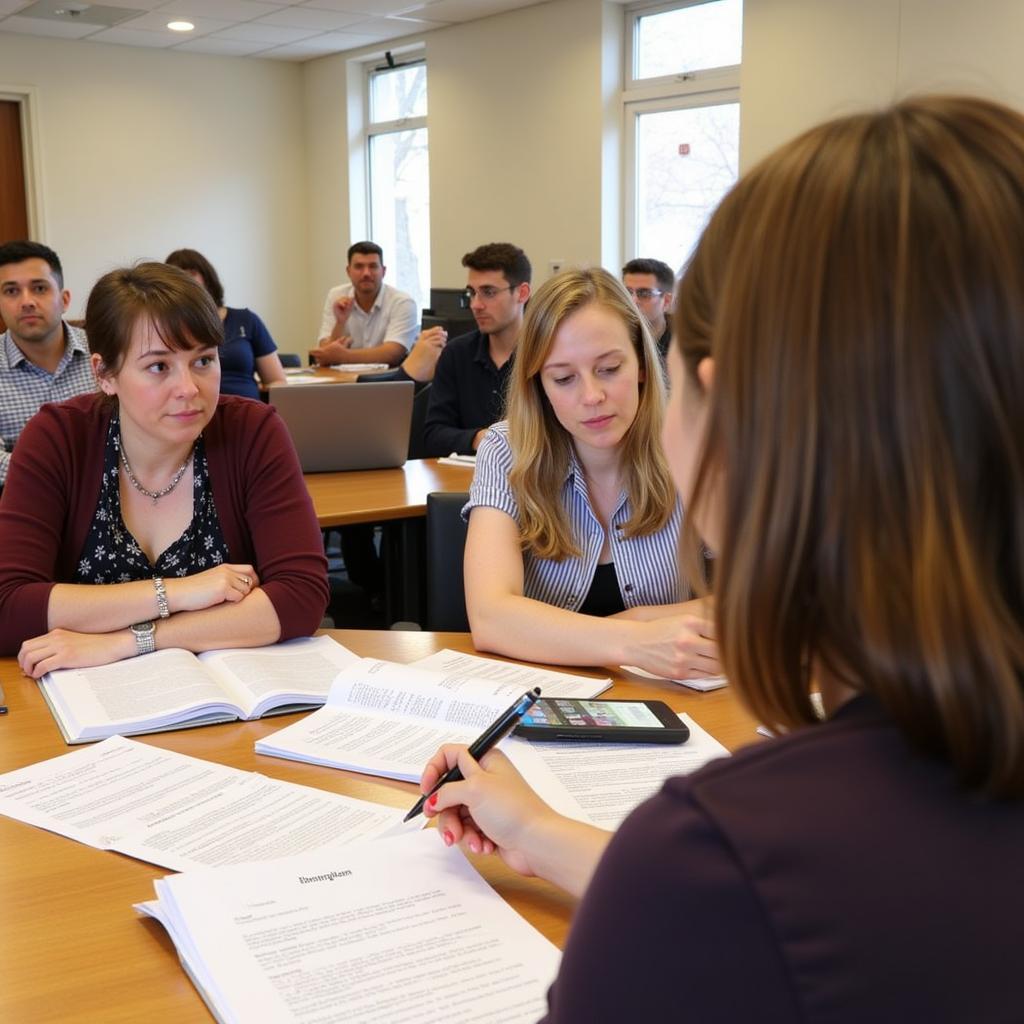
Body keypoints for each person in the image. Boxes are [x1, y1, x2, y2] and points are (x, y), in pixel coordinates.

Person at [419, 96, 1024, 1021]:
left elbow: (711, 897)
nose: (595, 398)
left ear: (712, 407)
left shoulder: (721, 848)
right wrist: (539, 832)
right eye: (564, 378)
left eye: (618, 369)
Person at [0, 262, 329, 674]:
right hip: (86, 708)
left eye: (204, 361)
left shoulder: (253, 430)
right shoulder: (57, 437)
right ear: (104, 374)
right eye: (159, 366)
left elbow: (301, 596)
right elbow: (9, 606)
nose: (190, 389)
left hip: (224, 705)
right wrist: (176, 593)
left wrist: (133, 641)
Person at [464, 266, 718, 681]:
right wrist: (637, 639)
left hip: (678, 704)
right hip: (540, 703)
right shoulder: (505, 449)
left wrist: (634, 620)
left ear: (640, 363)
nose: (592, 397)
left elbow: (756, 605)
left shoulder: (694, 441)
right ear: (538, 386)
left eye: (609, 369)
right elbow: (491, 616)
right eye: (563, 378)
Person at [422, 242, 532, 456]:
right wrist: (482, 439)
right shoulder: (456, 353)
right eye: (472, 293)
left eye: (488, 292)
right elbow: (433, 435)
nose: (476, 304)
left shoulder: (547, 355)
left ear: (522, 293)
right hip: (463, 480)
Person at [0, 240, 95, 487]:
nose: (27, 301)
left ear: (64, 300)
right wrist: (60, 474)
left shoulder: (103, 351)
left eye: (39, 288)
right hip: (25, 500)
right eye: (11, 291)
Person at [165, 248, 286, 400]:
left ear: (207, 279)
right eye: (177, 276)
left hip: (247, 412)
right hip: (195, 411)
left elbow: (277, 380)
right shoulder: (166, 328)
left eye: (191, 273)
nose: (184, 281)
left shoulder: (247, 320)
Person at [310, 242, 416, 368]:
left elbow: (392, 353)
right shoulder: (336, 295)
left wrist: (344, 356)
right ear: (348, 271)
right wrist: (340, 323)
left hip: (384, 381)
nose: (366, 273)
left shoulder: (402, 302)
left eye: (373, 266)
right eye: (359, 267)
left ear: (383, 271)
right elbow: (325, 354)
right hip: (342, 381)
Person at [621, 256, 674, 364]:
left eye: (644, 293)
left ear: (666, 301)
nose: (633, 301)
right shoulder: (614, 336)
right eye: (628, 292)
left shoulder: (682, 346)